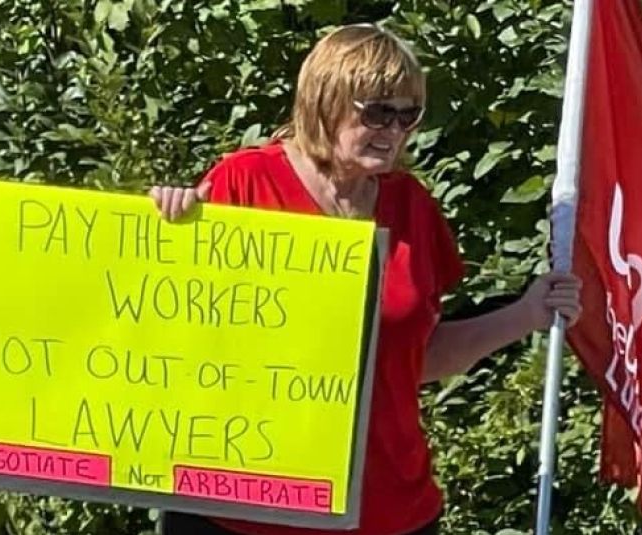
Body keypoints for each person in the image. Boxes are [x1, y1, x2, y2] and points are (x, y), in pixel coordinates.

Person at [149, 23, 582, 535]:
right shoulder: (243, 183)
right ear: (324, 101)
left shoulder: (411, 206)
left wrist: (526, 313)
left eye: (407, 115)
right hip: (248, 512)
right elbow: (171, 332)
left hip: (388, 509)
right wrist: (167, 233)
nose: (394, 130)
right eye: (378, 112)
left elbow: (417, 356)